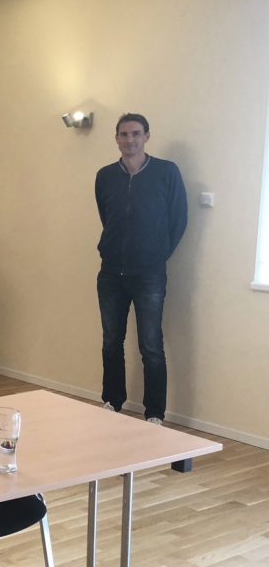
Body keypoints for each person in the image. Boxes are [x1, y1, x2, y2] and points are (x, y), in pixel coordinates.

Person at [96, 114, 187, 426]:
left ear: (147, 136)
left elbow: (179, 219)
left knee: (151, 346)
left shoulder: (166, 172)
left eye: (135, 133)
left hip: (149, 274)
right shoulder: (105, 176)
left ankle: (154, 413)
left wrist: (158, 254)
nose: (129, 139)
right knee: (111, 341)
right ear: (117, 139)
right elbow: (107, 217)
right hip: (111, 273)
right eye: (123, 134)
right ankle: (112, 401)